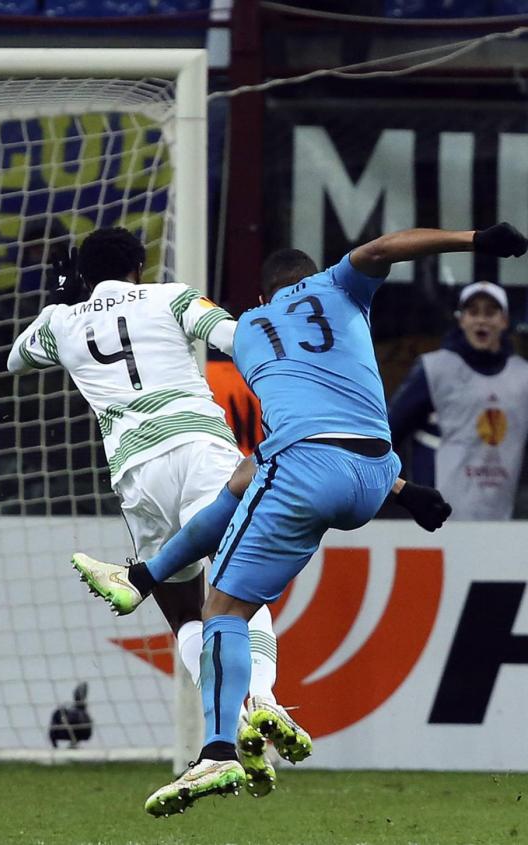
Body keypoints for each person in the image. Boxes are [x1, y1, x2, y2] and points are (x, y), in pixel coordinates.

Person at [72, 223, 527, 816]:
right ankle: (143, 578)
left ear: (263, 297)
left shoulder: (251, 331)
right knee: (239, 487)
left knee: (221, 610)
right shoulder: (341, 289)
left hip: (308, 471)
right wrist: (475, 239)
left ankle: (218, 751)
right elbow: (382, 249)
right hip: (374, 473)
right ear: (313, 277)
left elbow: (286, 440)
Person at [6, 227, 291, 795]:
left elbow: (17, 359)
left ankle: (232, 720)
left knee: (186, 615)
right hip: (202, 455)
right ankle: (261, 698)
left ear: (83, 275)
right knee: (238, 590)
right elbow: (234, 337)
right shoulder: (171, 296)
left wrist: (62, 300)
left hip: (137, 476)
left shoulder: (61, 323)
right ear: (140, 265)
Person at [389, 281, 528, 520]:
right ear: (461, 320)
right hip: (440, 516)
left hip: (505, 520)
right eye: (473, 312)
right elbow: (389, 433)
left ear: (504, 321)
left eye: (490, 312)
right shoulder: (435, 369)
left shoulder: (523, 376)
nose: (481, 320)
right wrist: (401, 493)